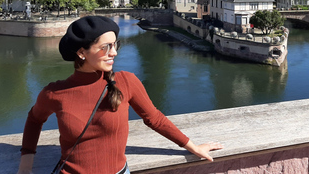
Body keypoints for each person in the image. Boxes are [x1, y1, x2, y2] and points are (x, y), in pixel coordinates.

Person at [17, 16, 222, 174]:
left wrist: (193, 146)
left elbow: (154, 118)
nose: (114, 52)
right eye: (105, 47)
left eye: (115, 45)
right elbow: (34, 119)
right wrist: (26, 165)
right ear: (81, 52)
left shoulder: (126, 81)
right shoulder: (55, 93)